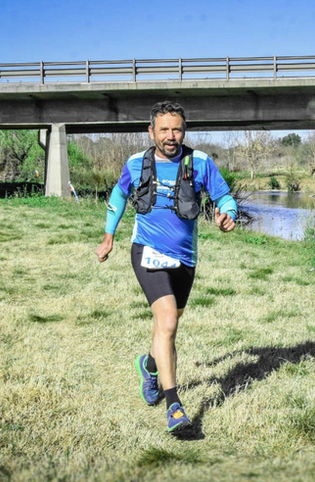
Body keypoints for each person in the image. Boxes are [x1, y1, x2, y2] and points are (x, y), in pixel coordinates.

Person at [95, 101, 237, 435]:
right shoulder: (136, 163)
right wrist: (108, 237)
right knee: (169, 320)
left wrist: (228, 214)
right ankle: (174, 406)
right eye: (164, 129)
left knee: (168, 325)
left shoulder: (199, 162)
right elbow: (118, 196)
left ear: (183, 131)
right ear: (151, 132)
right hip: (147, 251)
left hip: (185, 258)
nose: (171, 136)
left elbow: (224, 197)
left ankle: (149, 364)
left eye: (177, 129)